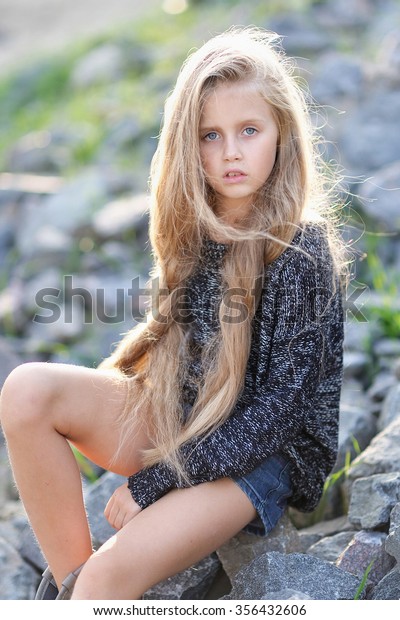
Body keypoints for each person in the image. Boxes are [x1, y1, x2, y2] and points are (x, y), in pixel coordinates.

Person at [0, 26, 347, 600]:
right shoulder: (198, 233)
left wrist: (155, 482)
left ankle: (93, 593)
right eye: (210, 135)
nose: (231, 151)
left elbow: (274, 417)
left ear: (281, 135)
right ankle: (74, 591)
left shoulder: (301, 251)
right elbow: (178, 359)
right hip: (190, 419)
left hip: (262, 459)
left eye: (249, 131)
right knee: (27, 389)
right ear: (189, 143)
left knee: (111, 578)